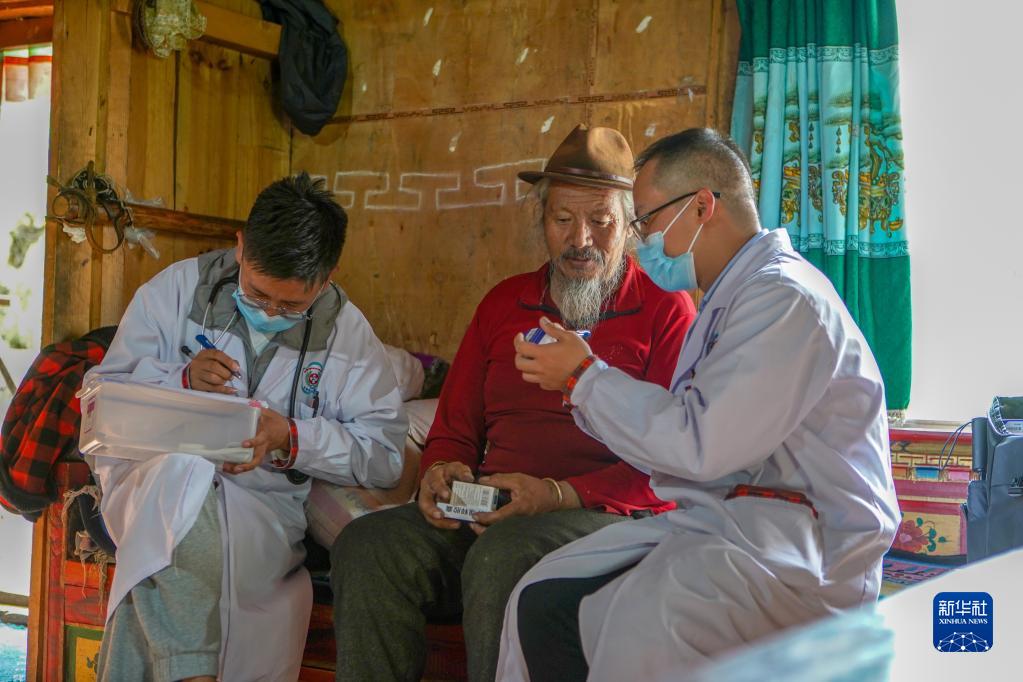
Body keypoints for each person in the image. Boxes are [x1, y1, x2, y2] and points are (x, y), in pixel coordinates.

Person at [497, 128, 901, 682]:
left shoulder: (785, 300)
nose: (642, 240)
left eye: (645, 220)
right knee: (541, 594)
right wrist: (583, 381)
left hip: (803, 550)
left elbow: (700, 444)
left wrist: (584, 378)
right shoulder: (735, 297)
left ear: (702, 207)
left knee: (634, 624)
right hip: (736, 526)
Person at [330, 124, 696, 682]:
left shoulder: (666, 311)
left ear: (629, 226)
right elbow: (454, 428)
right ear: (541, 221)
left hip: (604, 517)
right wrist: (441, 471)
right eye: (562, 219)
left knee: (504, 553)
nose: (580, 240)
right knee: (368, 544)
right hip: (494, 509)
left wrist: (554, 494)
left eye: (601, 221)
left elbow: (672, 463)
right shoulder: (504, 303)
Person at [89, 173, 408, 682]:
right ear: (240, 247)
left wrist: (291, 438)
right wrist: (181, 379)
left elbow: (385, 454)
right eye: (257, 295)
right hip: (151, 482)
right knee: (181, 480)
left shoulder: (347, 334)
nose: (271, 312)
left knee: (160, 564)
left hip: (262, 506)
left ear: (328, 278)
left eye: (291, 306)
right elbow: (103, 401)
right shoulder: (176, 290)